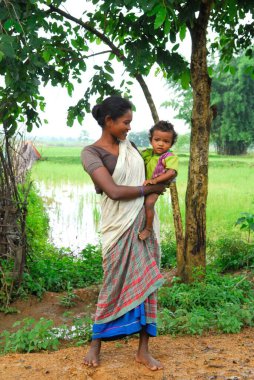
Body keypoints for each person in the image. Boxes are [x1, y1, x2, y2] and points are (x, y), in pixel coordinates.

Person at [81, 95, 166, 371]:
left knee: (147, 284)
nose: (129, 128)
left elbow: (149, 175)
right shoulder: (91, 153)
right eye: (125, 123)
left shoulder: (129, 147)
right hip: (117, 227)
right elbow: (114, 192)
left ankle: (144, 350)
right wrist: (149, 190)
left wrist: (159, 181)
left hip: (142, 225)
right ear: (108, 121)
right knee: (112, 282)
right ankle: (96, 343)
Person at [139, 121, 178, 240]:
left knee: (149, 203)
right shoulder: (147, 153)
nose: (161, 144)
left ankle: (148, 229)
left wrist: (155, 180)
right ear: (151, 140)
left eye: (166, 141)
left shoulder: (170, 157)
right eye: (157, 140)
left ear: (171, 144)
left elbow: (171, 172)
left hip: (156, 186)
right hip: (144, 184)